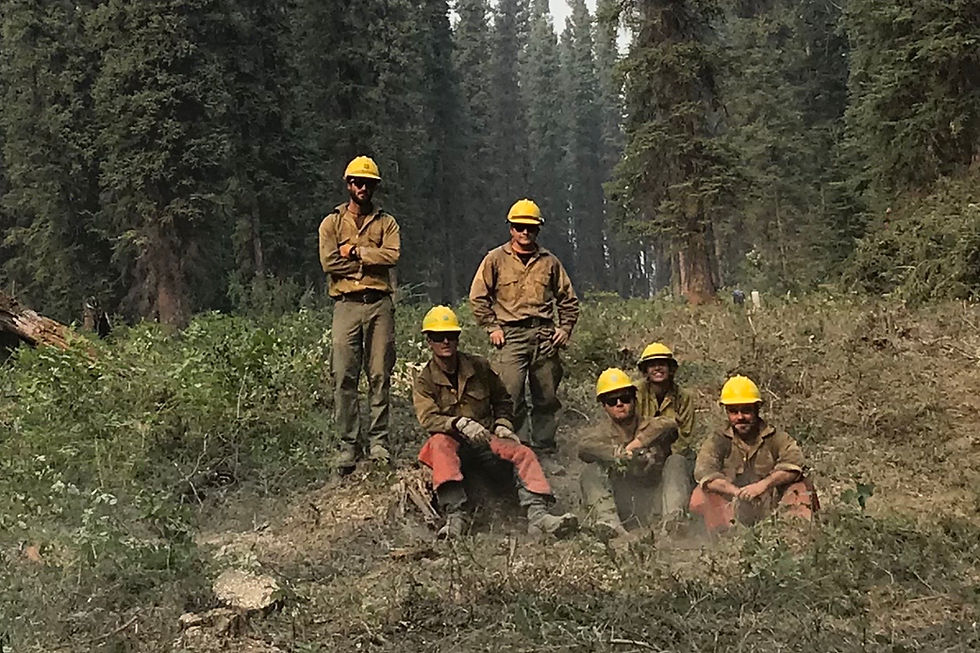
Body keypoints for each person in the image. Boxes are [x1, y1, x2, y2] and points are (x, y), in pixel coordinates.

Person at [413, 306, 578, 539]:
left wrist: (503, 423)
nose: (446, 341)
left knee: (522, 452)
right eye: (438, 337)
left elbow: (503, 399)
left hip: (485, 439)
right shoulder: (425, 380)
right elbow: (428, 418)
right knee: (438, 444)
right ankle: (456, 517)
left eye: (451, 335)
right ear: (429, 341)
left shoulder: (479, 367)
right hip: (453, 443)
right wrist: (458, 424)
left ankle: (539, 516)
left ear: (458, 337)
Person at [469, 199, 579, 453]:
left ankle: (544, 447)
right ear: (511, 229)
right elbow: (478, 296)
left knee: (547, 395)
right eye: (520, 227)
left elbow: (568, 299)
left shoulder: (549, 262)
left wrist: (565, 328)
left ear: (538, 229)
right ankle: (518, 449)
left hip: (544, 335)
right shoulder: (495, 259)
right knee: (509, 394)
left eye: (530, 228)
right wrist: (492, 327)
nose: (525, 232)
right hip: (510, 335)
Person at [318, 155, 400, 473]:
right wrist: (367, 265)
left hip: (379, 304)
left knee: (380, 373)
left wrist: (354, 252)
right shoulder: (332, 223)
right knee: (343, 375)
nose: (363, 187)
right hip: (346, 304)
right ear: (348, 184)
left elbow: (392, 255)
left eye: (368, 183)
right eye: (358, 182)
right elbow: (329, 263)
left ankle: (379, 441)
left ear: (375, 186)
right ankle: (349, 444)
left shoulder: (387, 223)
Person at [689, 375, 819, 532]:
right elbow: (704, 472)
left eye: (746, 410)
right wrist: (737, 492)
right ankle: (718, 539)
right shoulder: (717, 440)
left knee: (801, 487)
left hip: (772, 506)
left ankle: (794, 536)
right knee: (700, 495)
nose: (740, 417)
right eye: (733, 411)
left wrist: (762, 486)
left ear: (757, 409)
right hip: (731, 508)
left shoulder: (776, 438)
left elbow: (794, 464)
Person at [578, 368, 692, 537]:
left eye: (625, 398)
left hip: (657, 500)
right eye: (612, 401)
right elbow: (584, 447)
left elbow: (670, 426)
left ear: (634, 399)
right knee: (590, 472)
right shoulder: (601, 434)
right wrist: (616, 454)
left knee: (676, 461)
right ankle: (609, 526)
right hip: (621, 504)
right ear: (604, 406)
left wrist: (635, 445)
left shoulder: (650, 424)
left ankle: (673, 523)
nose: (619, 404)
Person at [636, 342, 696, 457]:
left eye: (662, 364)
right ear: (646, 371)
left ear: (670, 368)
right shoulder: (635, 392)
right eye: (652, 365)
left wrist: (665, 455)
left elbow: (685, 436)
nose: (657, 368)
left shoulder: (684, 397)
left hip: (670, 454)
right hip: (640, 452)